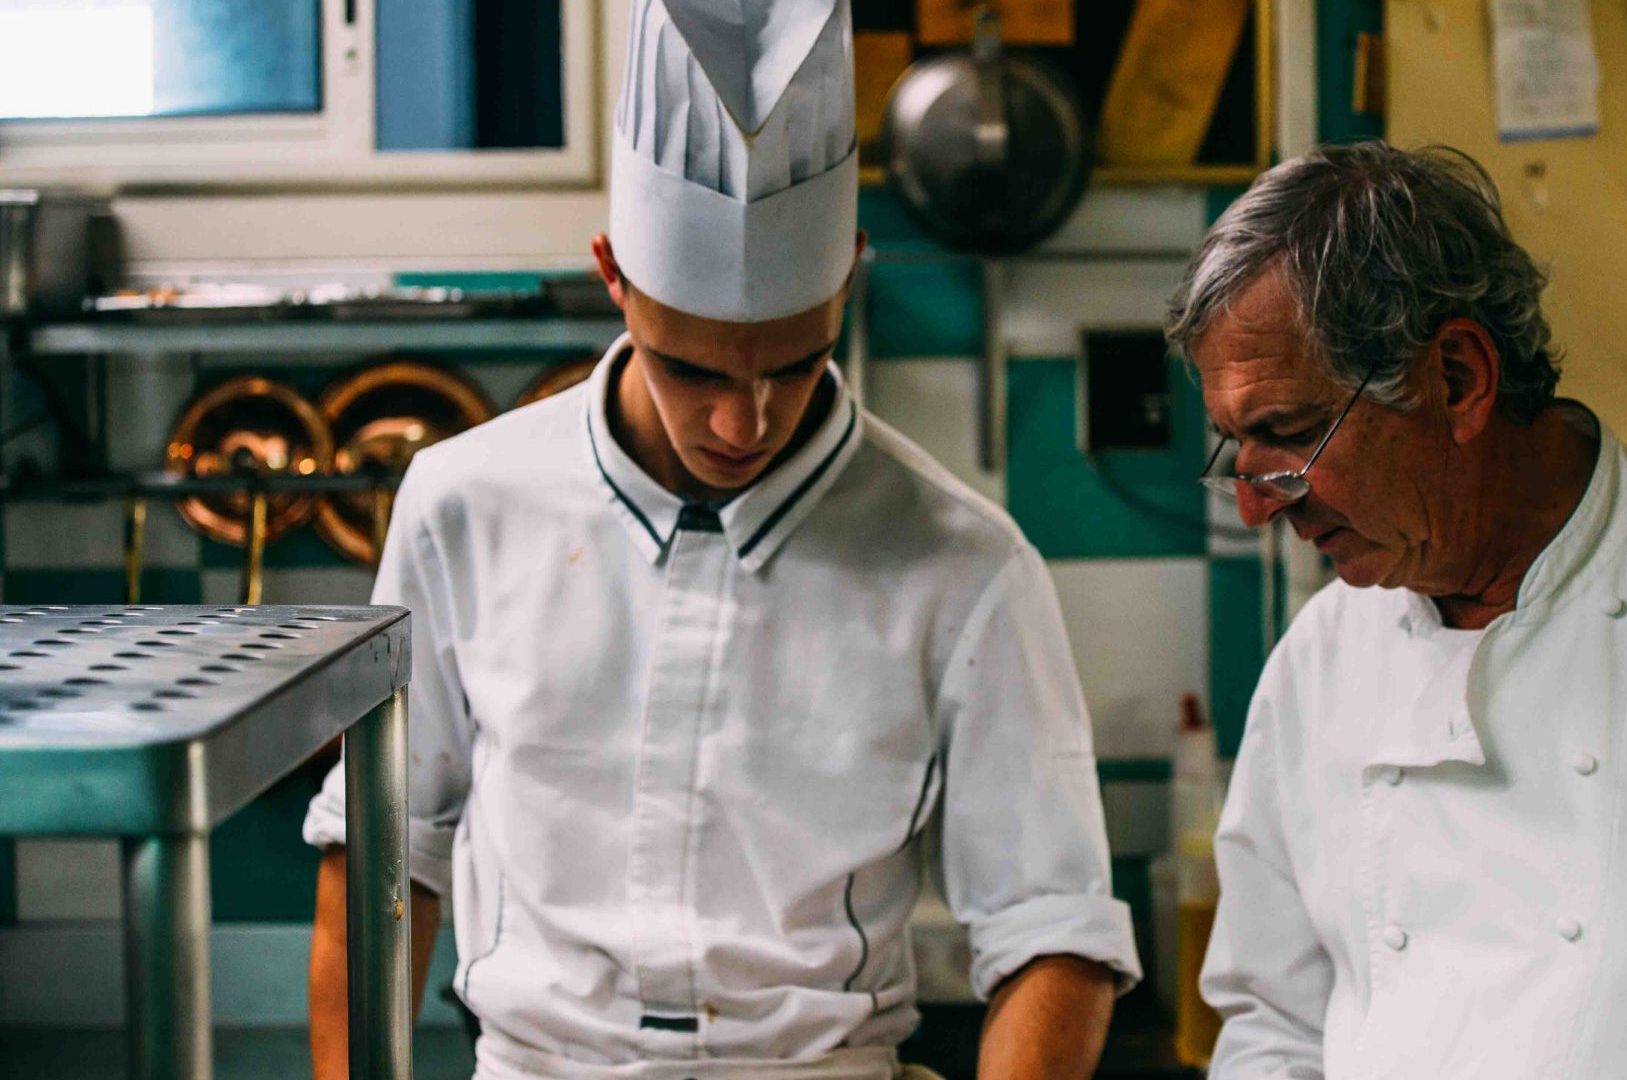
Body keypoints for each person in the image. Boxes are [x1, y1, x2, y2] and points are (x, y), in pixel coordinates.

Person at [304, 2, 1139, 1076]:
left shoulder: (965, 563)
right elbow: (384, 857)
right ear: (614, 275)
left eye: (792, 364)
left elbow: (1053, 933)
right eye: (691, 369)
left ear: (848, 276)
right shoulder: (463, 505)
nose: (744, 424)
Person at [1166, 140, 1627, 1078]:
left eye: (1286, 434)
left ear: (1457, 378)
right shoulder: (1321, 665)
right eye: (1236, 448)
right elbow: (1274, 1028)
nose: (1256, 505)